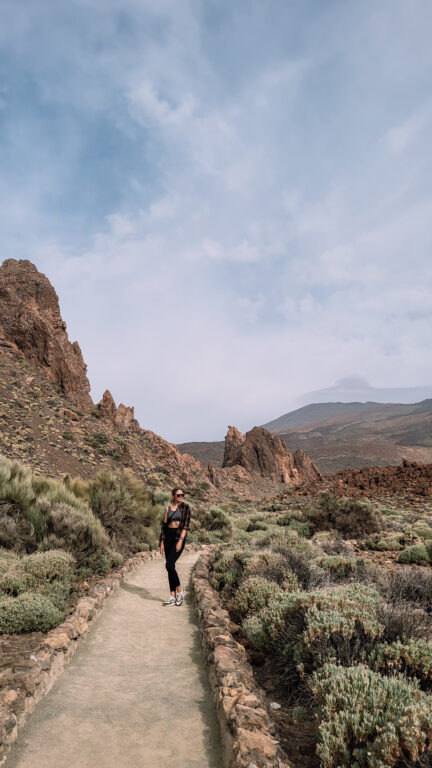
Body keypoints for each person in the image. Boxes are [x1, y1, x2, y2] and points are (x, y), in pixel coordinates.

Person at [159, 487, 191, 606]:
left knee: (169, 564)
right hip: (168, 538)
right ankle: (172, 596)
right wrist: (162, 542)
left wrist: (180, 541)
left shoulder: (185, 507)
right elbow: (164, 527)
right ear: (173, 496)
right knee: (169, 567)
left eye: (182, 495)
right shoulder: (167, 509)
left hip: (178, 537)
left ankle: (180, 591)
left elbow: (186, 526)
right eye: (178, 495)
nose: (181, 497)